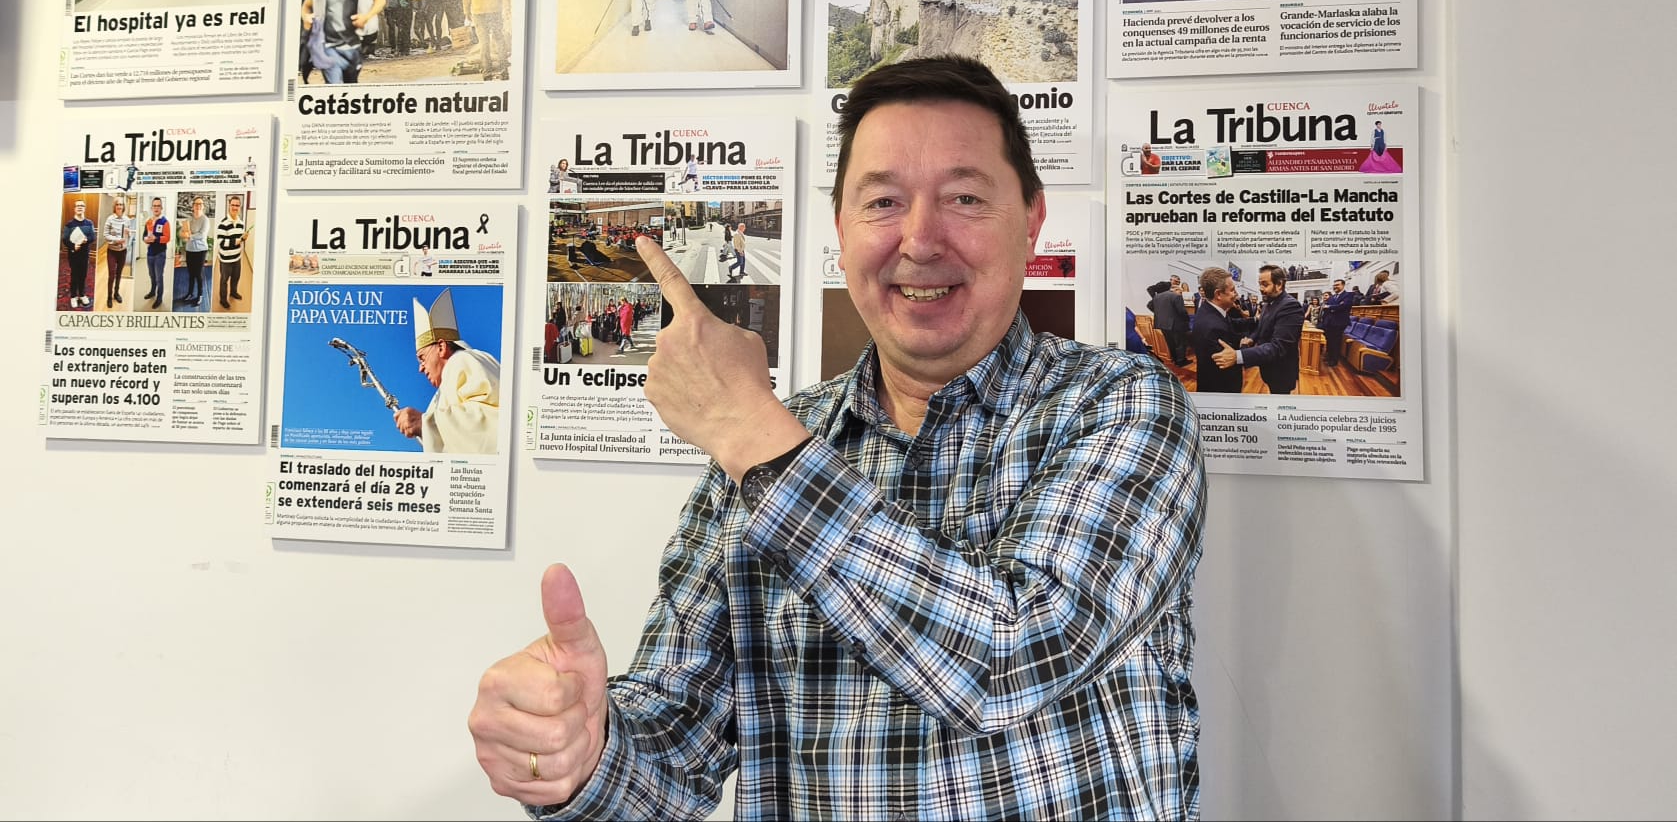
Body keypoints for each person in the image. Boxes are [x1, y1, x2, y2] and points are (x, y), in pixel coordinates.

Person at [467, 55, 1206, 820]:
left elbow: (1013, 658)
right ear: (840, 230)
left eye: (964, 197)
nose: (920, 240)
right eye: (883, 201)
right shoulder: (763, 449)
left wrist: (750, 432)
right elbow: (671, 752)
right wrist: (582, 756)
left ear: (1032, 223)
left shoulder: (1120, 404)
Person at [393, 288, 500, 453]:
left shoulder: (462, 360)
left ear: (442, 347)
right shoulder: (440, 393)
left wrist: (424, 423)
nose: (420, 368)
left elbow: (492, 422)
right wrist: (427, 430)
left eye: (422, 358)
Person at [1212, 264, 1304, 395]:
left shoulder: (1291, 306)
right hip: (1268, 366)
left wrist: (1238, 356)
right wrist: (1251, 338)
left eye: (1265, 284)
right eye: (1259, 284)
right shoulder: (1268, 304)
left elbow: (1279, 347)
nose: (1260, 289)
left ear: (1279, 284)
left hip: (1281, 371)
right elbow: (1261, 327)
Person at [1191, 266, 1244, 392]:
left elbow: (1231, 323)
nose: (1236, 294)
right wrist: (1244, 345)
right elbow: (1228, 360)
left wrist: (1255, 321)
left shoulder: (1209, 309)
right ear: (1218, 294)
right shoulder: (1213, 326)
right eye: (1232, 290)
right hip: (1221, 388)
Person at [1148, 273, 1190, 366]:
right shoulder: (1176, 296)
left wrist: (1159, 314)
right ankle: (1181, 362)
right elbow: (1182, 311)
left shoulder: (1157, 297)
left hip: (1162, 324)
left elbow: (1149, 305)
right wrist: (1187, 319)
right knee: (1180, 343)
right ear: (1176, 289)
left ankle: (1175, 360)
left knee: (1170, 343)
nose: (1181, 293)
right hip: (1175, 324)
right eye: (1180, 292)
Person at [61, 199, 96, 309]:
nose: (80, 207)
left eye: (82, 205)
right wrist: (73, 246)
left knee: (83, 275)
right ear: (74, 209)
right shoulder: (69, 224)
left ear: (84, 208)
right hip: (74, 255)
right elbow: (65, 240)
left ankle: (82, 294)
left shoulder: (89, 223)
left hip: (85, 254)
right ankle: (73, 296)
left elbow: (93, 237)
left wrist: (87, 240)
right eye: (77, 206)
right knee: (74, 276)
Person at [215, 195, 248, 308]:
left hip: (237, 258)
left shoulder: (241, 223)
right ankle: (223, 300)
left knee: (236, 277)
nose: (235, 207)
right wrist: (238, 240)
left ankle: (233, 292)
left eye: (237, 205)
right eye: (233, 205)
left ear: (240, 207)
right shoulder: (223, 223)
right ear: (229, 205)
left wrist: (243, 238)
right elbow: (221, 242)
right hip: (225, 259)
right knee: (224, 280)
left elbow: (239, 240)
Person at [179, 196, 210, 306]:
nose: (198, 206)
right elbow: (182, 232)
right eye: (196, 204)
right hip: (190, 249)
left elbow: (201, 235)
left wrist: (189, 236)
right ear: (193, 206)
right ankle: (190, 293)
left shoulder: (205, 220)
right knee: (191, 273)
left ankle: (200, 295)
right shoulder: (189, 220)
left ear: (203, 206)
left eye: (200, 204)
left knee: (198, 274)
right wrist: (183, 234)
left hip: (201, 250)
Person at [1319, 278, 1355, 368]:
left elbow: (1343, 306)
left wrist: (1330, 307)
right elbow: (1331, 308)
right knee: (1330, 341)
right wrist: (1334, 307)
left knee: (1336, 342)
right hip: (1330, 323)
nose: (1335, 287)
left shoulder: (1348, 295)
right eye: (1334, 285)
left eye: (1337, 285)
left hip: (1339, 322)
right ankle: (1329, 357)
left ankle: (1334, 360)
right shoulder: (1332, 297)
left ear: (1343, 285)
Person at [102, 196, 131, 307]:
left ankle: (116, 293)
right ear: (114, 206)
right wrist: (116, 240)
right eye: (117, 204)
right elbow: (105, 235)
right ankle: (109, 296)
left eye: (121, 204)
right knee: (111, 275)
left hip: (122, 252)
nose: (119, 206)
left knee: (119, 274)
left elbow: (129, 236)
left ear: (124, 206)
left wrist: (129, 233)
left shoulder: (127, 220)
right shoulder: (110, 219)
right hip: (112, 252)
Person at [141, 197, 170, 309]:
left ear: (161, 208)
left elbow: (167, 238)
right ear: (151, 208)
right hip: (150, 253)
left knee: (159, 277)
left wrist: (156, 239)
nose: (156, 208)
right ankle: (152, 292)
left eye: (158, 206)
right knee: (152, 275)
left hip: (160, 254)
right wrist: (145, 239)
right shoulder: (148, 221)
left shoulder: (165, 222)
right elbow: (144, 235)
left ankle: (159, 298)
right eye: (154, 206)